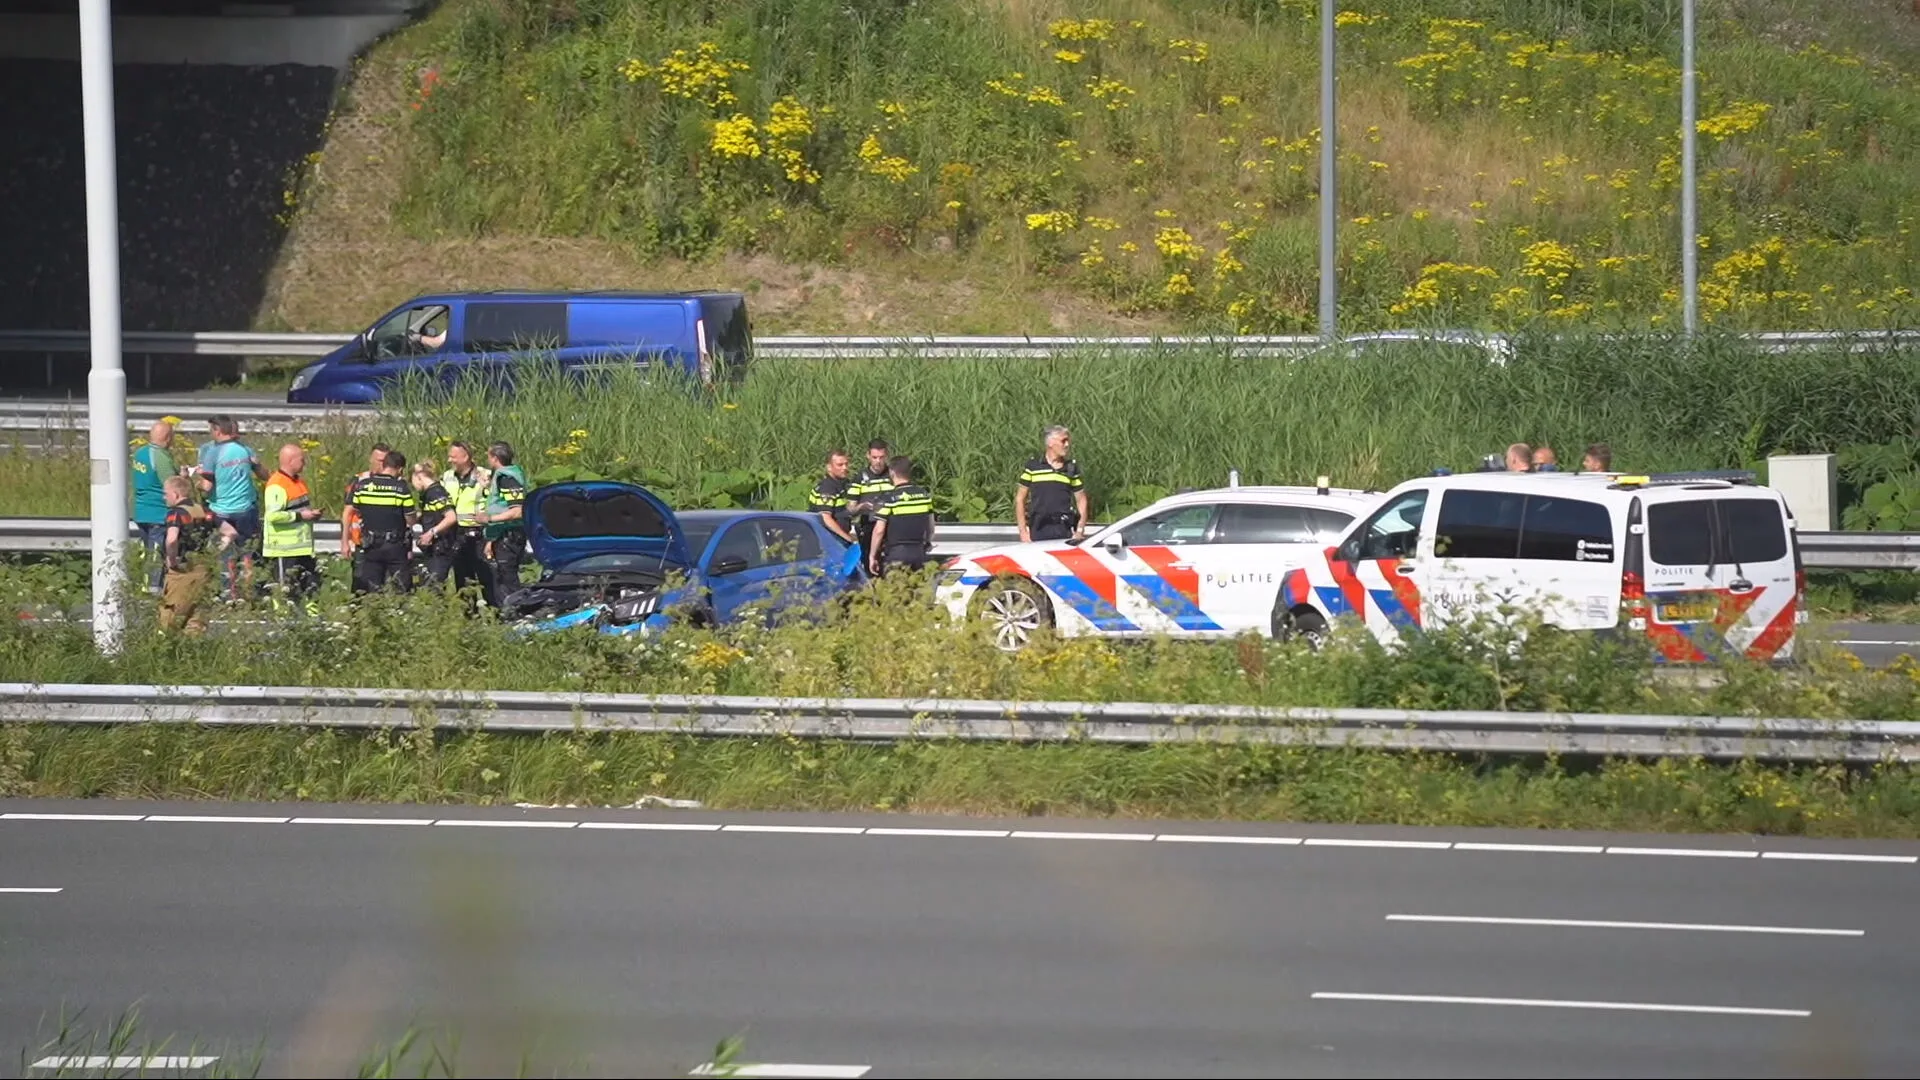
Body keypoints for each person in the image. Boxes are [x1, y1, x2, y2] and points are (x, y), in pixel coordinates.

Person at [194, 416, 268, 602]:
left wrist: (195, 484)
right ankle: (249, 594)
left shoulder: (211, 452)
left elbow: (208, 486)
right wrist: (256, 464)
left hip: (222, 511)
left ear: (218, 430)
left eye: (212, 430)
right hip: (246, 508)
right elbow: (264, 475)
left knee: (227, 555)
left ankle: (231, 595)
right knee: (247, 554)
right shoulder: (245, 450)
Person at [262, 443, 322, 616]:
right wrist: (301, 516)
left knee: (312, 584)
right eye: (301, 460)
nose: (305, 464)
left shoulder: (298, 481)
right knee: (285, 589)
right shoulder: (277, 484)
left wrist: (311, 514)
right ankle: (282, 622)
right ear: (290, 460)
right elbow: (272, 516)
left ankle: (313, 620)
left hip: (303, 546)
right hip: (284, 549)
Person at [346, 450, 416, 595]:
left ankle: (374, 615)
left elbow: (353, 511)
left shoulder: (362, 486)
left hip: (371, 546)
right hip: (394, 546)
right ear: (400, 469)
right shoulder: (400, 488)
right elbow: (410, 519)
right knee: (401, 588)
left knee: (372, 589)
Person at [158, 474, 215, 634]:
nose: (164, 498)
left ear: (175, 494)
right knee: (196, 620)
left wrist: (171, 560)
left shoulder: (175, 513)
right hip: (203, 568)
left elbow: (172, 539)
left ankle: (168, 655)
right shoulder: (204, 510)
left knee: (170, 618)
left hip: (182, 570)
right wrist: (214, 554)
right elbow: (228, 532)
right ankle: (194, 654)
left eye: (166, 494)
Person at [476, 441, 528, 609]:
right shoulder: (503, 475)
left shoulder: (507, 478)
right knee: (499, 579)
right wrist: (491, 539)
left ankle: (518, 614)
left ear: (495, 458)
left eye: (489, 457)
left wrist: (489, 519)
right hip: (501, 535)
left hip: (510, 536)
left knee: (508, 580)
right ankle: (507, 615)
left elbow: (517, 510)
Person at [1016, 424, 1089, 543]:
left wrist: (1080, 530)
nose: (1067, 445)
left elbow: (1081, 499)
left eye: (1068, 441)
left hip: (1063, 528)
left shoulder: (1070, 468)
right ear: (1050, 443)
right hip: (1038, 528)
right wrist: (1023, 531)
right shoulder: (1033, 466)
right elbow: (1020, 499)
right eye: (1063, 441)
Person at [438, 441, 492, 597]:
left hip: (478, 532)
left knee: (486, 578)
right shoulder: (448, 476)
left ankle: (494, 616)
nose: (450, 460)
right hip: (455, 533)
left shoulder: (485, 475)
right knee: (462, 580)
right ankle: (468, 615)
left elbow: (494, 501)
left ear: (466, 457)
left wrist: (487, 486)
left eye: (453, 457)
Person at [868, 455, 935, 577]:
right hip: (918, 552)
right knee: (917, 592)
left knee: (896, 592)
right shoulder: (924, 495)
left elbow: (879, 530)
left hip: (896, 553)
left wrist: (872, 556)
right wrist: (928, 542)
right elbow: (930, 526)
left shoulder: (888, 498)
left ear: (892, 472)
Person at [131, 420, 176, 594]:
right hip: (158, 511)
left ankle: (144, 585)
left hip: (141, 510)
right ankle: (154, 590)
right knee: (157, 553)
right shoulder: (161, 456)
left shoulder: (140, 453)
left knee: (147, 551)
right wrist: (184, 477)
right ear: (167, 437)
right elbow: (171, 485)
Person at [338, 442, 393, 561]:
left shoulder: (395, 482)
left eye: (385, 461)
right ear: (370, 459)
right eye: (379, 460)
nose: (382, 464)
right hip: (362, 540)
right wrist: (345, 542)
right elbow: (347, 513)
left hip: (388, 542)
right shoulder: (359, 481)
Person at [845, 439, 893, 569]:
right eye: (874, 457)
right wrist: (862, 507)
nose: (878, 461)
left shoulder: (893, 476)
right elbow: (850, 509)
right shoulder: (860, 478)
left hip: (891, 527)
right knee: (869, 566)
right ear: (868, 456)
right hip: (868, 526)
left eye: (881, 457)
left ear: (887, 455)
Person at [410, 459, 459, 587]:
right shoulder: (427, 494)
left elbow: (451, 517)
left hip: (441, 547)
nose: (413, 486)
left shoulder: (436, 492)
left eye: (412, 481)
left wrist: (431, 532)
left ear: (418, 476)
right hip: (432, 549)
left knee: (434, 587)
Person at [808, 449, 857, 545]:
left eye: (846, 464)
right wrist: (848, 539)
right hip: (828, 541)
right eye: (840, 465)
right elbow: (826, 518)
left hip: (838, 537)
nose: (845, 468)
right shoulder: (827, 488)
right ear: (829, 467)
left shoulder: (843, 484)